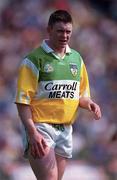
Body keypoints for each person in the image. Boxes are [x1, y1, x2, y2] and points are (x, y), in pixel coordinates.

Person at [15, 10, 101, 180]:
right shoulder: (34, 60)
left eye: (68, 31)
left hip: (65, 130)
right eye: (60, 31)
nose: (65, 35)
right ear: (49, 30)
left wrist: (89, 104)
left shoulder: (76, 59)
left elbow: (80, 96)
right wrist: (32, 132)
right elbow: (22, 101)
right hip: (41, 127)